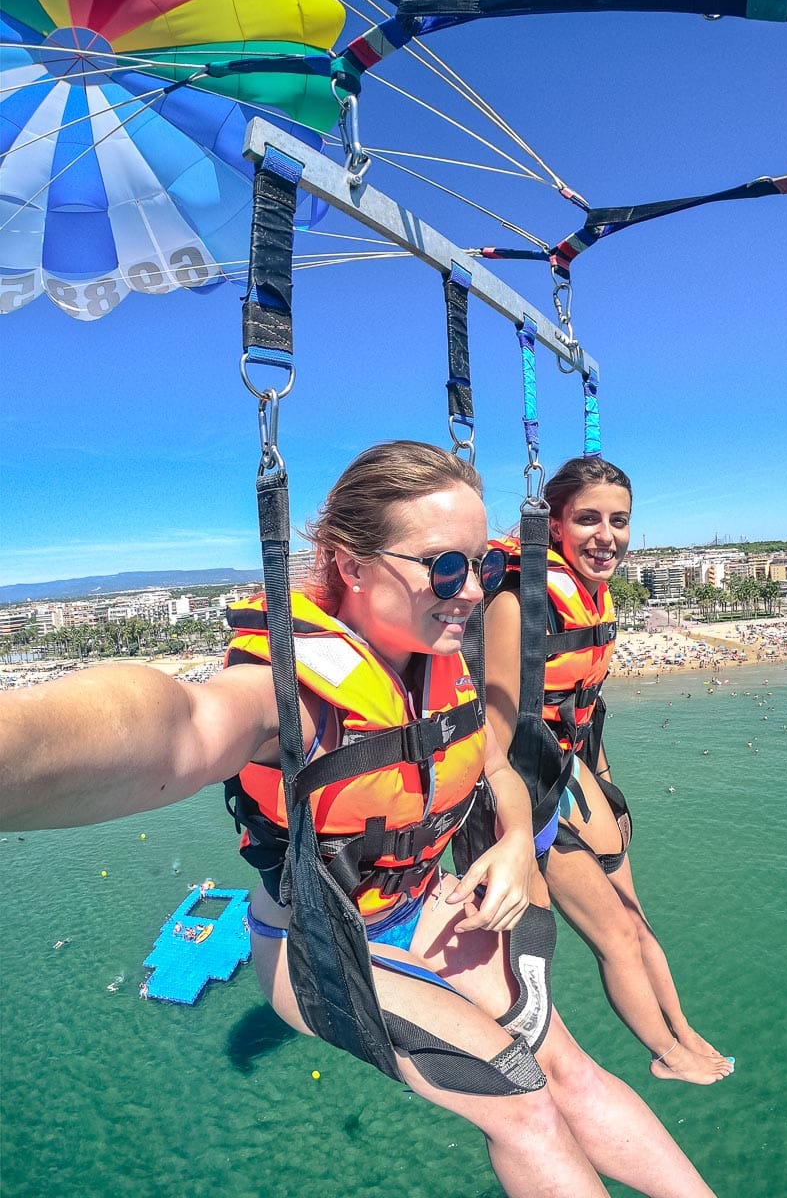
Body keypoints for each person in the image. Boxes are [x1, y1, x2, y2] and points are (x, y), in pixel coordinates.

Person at [0, 441, 717, 1198]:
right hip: (325, 949)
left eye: (482, 566)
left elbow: (497, 769)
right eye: (445, 566)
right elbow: (177, 729)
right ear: (351, 567)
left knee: (571, 1071)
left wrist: (511, 843)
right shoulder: (291, 698)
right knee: (525, 1106)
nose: (471, 591)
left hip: (430, 913)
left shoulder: (442, 667)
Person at [483, 455, 733, 1086]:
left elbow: (582, 710)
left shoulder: (597, 598)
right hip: (528, 793)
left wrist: (609, 789)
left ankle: (682, 1025)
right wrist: (517, 831)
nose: (607, 535)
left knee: (637, 915)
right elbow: (493, 731)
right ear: (556, 525)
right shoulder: (520, 605)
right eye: (588, 519)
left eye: (619, 521)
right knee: (615, 936)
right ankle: (666, 1054)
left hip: (572, 772)